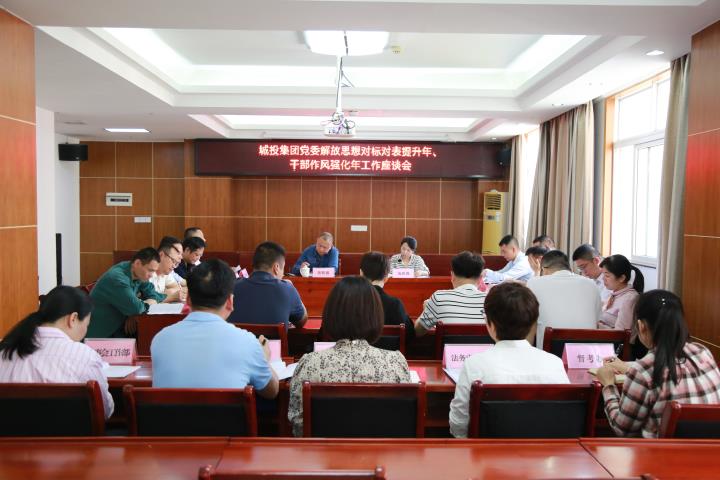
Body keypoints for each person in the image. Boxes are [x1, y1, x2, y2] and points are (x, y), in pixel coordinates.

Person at [288, 276, 411, 436]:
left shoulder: (310, 363)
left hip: (323, 451)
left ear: (330, 315)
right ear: (376, 316)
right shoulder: (396, 362)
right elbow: (403, 421)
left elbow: (299, 425)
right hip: (380, 451)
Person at [448, 282, 570, 438]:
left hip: (487, 452)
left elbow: (459, 424)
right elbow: (564, 418)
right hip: (544, 451)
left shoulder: (475, 364)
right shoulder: (554, 363)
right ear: (533, 324)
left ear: (490, 324)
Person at [596, 290, 720, 438]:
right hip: (710, 449)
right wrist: (629, 368)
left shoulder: (644, 370)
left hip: (664, 452)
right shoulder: (702, 352)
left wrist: (608, 385)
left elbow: (623, 430)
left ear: (641, 325)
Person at [151, 259, 279, 398]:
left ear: (188, 300)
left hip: (170, 413)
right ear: (230, 302)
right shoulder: (247, 342)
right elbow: (272, 392)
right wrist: (264, 359)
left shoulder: (160, 339)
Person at [0, 286, 114, 418]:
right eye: (86, 325)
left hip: (9, 431)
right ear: (73, 319)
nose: (85, 331)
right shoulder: (85, 356)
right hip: (68, 431)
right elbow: (104, 411)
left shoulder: (5, 350)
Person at [527, 250, 601, 348]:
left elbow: (527, 320)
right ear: (569, 268)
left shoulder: (534, 283)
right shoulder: (591, 284)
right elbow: (596, 321)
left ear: (544, 270)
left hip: (551, 352)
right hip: (586, 352)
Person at [87, 247, 166, 338]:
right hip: (100, 336)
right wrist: (146, 304)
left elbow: (153, 294)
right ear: (137, 263)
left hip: (119, 328)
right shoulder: (117, 278)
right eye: (150, 270)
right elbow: (136, 308)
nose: (152, 275)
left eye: (154, 271)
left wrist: (132, 314)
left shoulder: (138, 273)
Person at [228, 241, 307, 328]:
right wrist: (291, 287)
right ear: (276, 268)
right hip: (275, 337)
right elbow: (302, 321)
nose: (283, 274)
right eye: (283, 268)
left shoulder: (233, 287)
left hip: (240, 337)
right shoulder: (287, 288)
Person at [415, 251, 486, 337]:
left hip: (448, 346)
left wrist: (427, 309)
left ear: (452, 276)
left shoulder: (439, 298)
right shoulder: (491, 301)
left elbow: (418, 331)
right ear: (481, 278)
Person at [598, 254, 646, 358]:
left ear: (621, 278)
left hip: (619, 351)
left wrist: (598, 325)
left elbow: (620, 334)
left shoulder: (629, 299)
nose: (603, 279)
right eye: (603, 275)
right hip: (608, 344)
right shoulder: (615, 294)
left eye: (607, 276)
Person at [360, 251, 415, 340]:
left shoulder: (350, 302)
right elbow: (410, 335)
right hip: (389, 349)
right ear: (386, 277)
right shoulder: (395, 304)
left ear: (361, 273)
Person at [150, 236, 186, 302]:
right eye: (173, 261)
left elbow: (177, 288)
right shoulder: (145, 273)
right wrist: (170, 297)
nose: (174, 266)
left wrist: (165, 295)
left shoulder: (166, 272)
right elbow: (144, 303)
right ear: (161, 255)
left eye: (176, 263)